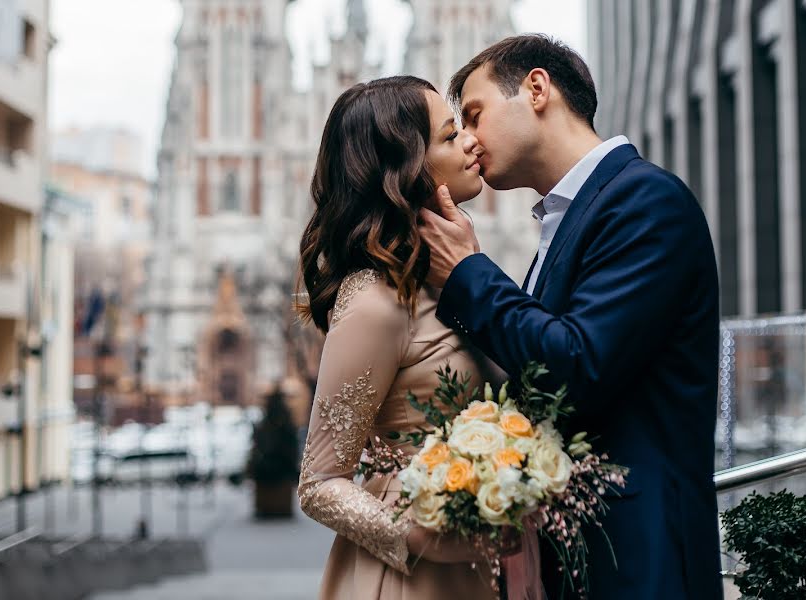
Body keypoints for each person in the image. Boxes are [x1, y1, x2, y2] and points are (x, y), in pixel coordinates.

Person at [417, 34, 723, 599]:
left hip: (639, 567)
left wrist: (467, 272)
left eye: (476, 115)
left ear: (537, 89)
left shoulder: (645, 202)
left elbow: (576, 364)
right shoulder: (570, 218)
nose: (468, 140)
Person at [296, 75, 541, 600]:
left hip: (483, 569)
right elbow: (319, 484)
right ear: (406, 170)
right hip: (414, 578)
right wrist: (424, 538)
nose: (472, 142)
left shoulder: (452, 273)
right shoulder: (375, 300)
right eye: (451, 136)